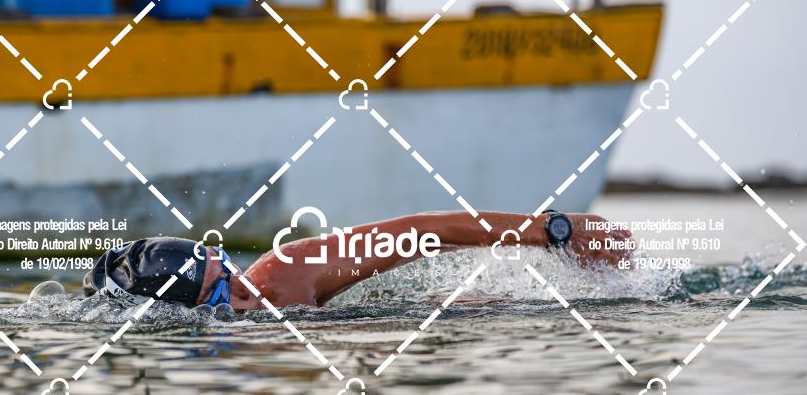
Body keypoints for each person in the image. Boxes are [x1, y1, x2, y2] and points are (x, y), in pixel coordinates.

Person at [83, 210, 632, 310]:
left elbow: (420, 233)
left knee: (465, 305)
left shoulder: (283, 273)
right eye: (222, 295)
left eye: (229, 269)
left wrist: (551, 231)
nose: (244, 288)